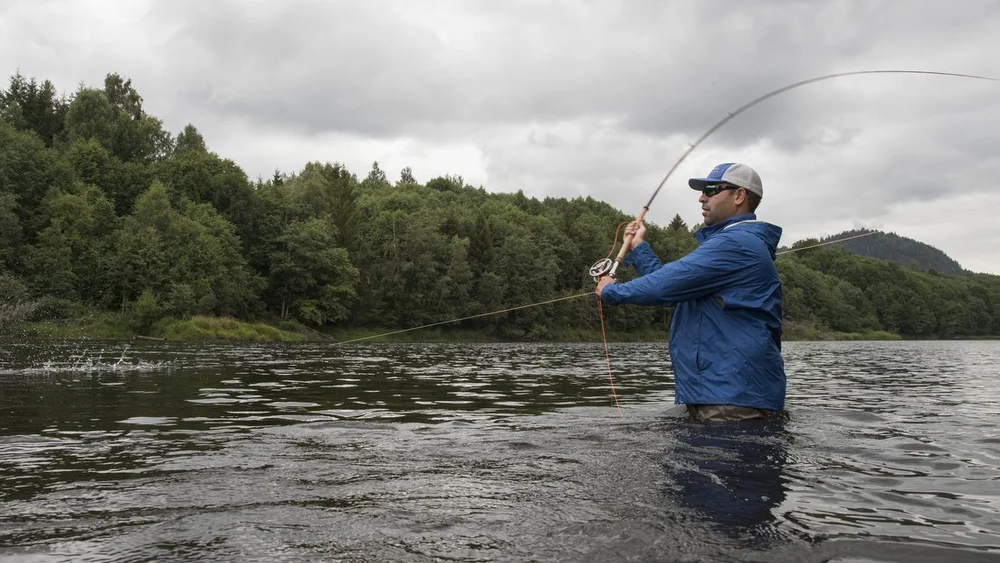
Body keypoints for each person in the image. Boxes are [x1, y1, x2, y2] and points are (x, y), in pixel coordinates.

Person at [596, 162, 785, 421]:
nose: (702, 197)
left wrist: (611, 291)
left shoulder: (735, 243)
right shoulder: (733, 243)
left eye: (711, 189)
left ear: (739, 196)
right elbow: (675, 286)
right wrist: (639, 246)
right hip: (722, 392)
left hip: (732, 396)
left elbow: (665, 285)